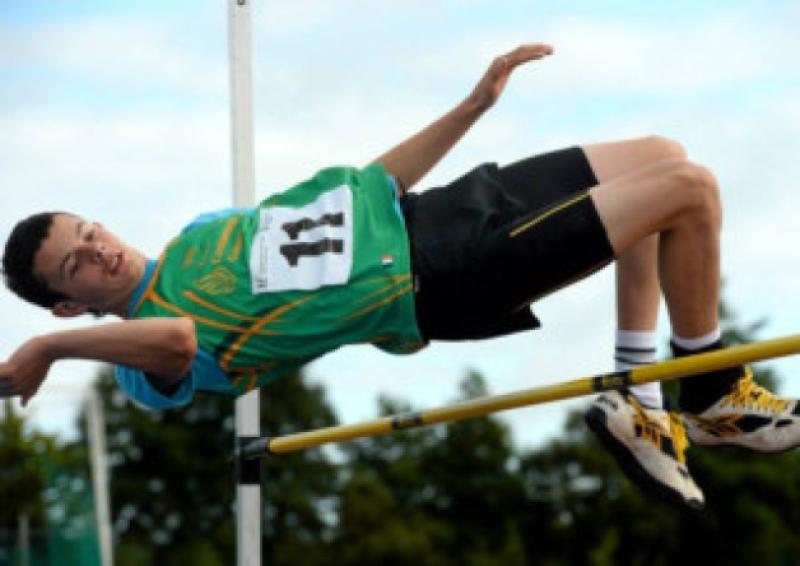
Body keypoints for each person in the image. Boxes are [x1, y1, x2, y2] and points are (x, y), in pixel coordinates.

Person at [2, 44, 798, 510]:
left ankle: (646, 401)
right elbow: (178, 338)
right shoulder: (146, 364)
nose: (100, 247)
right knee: (690, 195)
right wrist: (47, 350)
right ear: (72, 302)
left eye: (89, 229)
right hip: (444, 277)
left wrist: (473, 105)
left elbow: (363, 188)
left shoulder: (199, 235)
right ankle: (713, 394)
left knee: (665, 156)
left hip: (440, 211)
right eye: (77, 262)